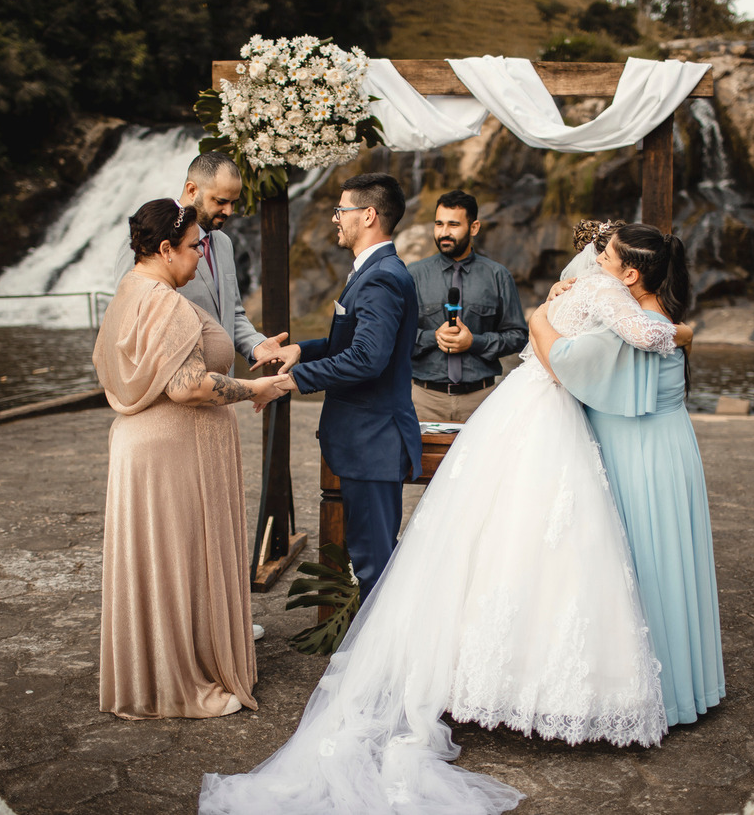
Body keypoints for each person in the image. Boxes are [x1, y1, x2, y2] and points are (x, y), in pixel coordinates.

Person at [199, 221, 691, 815]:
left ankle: (460, 672)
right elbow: (651, 334)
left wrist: (540, 317)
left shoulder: (582, 282)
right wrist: (682, 329)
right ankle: (523, 679)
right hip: (548, 409)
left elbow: (545, 323)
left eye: (605, 249)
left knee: (491, 528)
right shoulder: (608, 290)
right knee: (553, 535)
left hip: (518, 404)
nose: (596, 253)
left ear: (626, 266)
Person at [92, 198, 288, 719]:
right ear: (164, 249)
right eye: (193, 247)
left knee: (159, 566)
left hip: (139, 447)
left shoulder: (127, 293)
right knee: (179, 563)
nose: (202, 256)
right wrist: (253, 388)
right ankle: (180, 686)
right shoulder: (167, 304)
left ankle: (153, 675)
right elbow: (186, 386)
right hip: (173, 453)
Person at [531, 221, 724, 729]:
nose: (595, 264)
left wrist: (540, 316)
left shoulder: (626, 326)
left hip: (637, 454)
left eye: (606, 260)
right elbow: (670, 335)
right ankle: (684, 688)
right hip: (670, 447)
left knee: (641, 566)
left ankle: (650, 694)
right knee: (668, 562)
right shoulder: (662, 313)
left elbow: (562, 362)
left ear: (632, 274)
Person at [269, 173, 421, 601]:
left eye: (342, 210)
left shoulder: (382, 277)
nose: (335, 219)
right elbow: (355, 343)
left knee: (375, 565)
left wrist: (293, 381)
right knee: (369, 557)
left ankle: (384, 664)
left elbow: (368, 359)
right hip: (365, 442)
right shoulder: (373, 271)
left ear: (368, 215)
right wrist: (302, 350)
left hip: (372, 442)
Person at [111, 152, 297, 376]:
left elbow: (232, 314)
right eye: (220, 201)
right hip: (172, 387)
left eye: (233, 203)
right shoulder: (146, 238)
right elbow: (129, 318)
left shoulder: (224, 243)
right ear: (192, 190)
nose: (229, 211)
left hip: (222, 389)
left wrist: (257, 345)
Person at [408, 190, 527, 422]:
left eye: (453, 225)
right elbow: (396, 334)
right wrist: (434, 337)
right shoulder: (412, 275)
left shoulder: (498, 275)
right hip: (424, 400)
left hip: (482, 400)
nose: (444, 233)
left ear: (474, 228)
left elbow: (518, 336)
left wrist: (474, 342)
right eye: (439, 224)